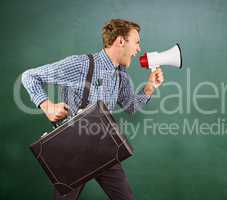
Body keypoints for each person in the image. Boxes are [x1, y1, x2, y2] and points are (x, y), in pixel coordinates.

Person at [21, 19, 164, 200]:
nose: (138, 49)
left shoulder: (120, 73)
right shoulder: (81, 65)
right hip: (74, 149)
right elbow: (29, 77)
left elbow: (130, 106)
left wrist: (150, 86)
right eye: (136, 42)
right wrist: (47, 106)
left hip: (105, 146)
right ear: (121, 41)